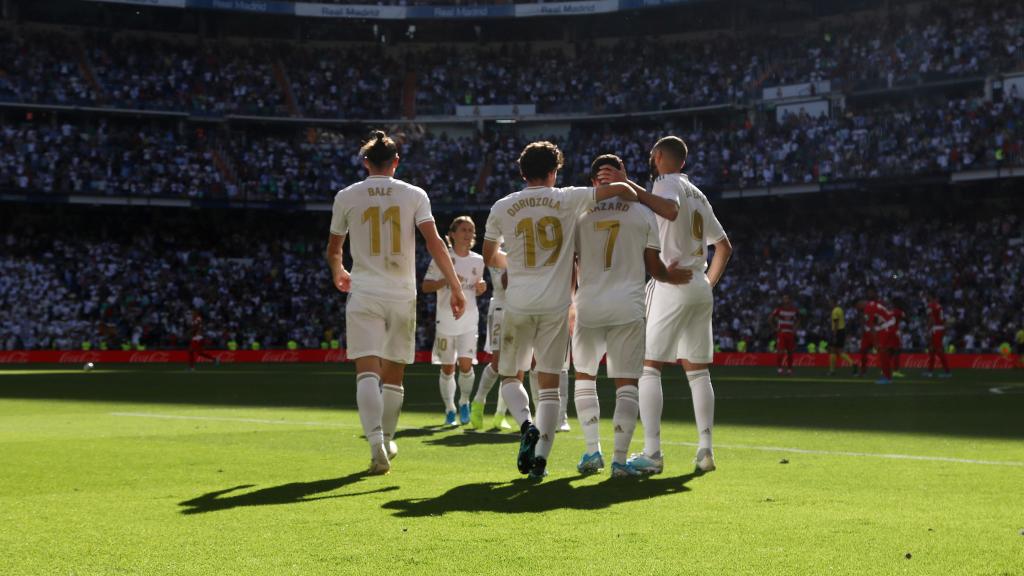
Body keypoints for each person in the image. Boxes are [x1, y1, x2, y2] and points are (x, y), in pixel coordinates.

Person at [482, 140, 639, 480]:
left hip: (518, 303)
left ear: (522, 172)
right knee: (551, 387)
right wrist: (621, 178)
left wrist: (514, 261)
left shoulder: (503, 206)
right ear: (554, 172)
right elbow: (621, 190)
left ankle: (526, 424)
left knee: (510, 376)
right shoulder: (569, 197)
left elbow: (489, 256)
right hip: (555, 306)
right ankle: (540, 460)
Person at [326, 130, 465, 475]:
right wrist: (456, 285)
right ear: (396, 162)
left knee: (366, 372)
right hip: (401, 293)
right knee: (394, 375)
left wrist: (338, 270)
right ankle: (387, 437)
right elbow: (434, 242)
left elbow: (333, 249)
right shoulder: (413, 194)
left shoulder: (347, 196)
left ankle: (375, 444)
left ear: (366, 162)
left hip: (365, 291)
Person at [571, 154, 692, 477]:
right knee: (627, 383)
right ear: (623, 177)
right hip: (627, 304)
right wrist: (672, 276)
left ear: (594, 182)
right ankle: (619, 461)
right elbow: (655, 269)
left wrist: (570, 302)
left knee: (584, 376)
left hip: (588, 304)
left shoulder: (579, 212)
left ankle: (591, 451)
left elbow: (570, 265)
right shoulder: (642, 213)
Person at [631, 136, 733, 476]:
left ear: (659, 157)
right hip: (698, 285)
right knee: (698, 372)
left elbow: (670, 210)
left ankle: (652, 453)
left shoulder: (665, 183)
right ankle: (705, 449)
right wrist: (707, 282)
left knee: (649, 367)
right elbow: (724, 246)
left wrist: (629, 187)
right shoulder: (698, 193)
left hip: (672, 283)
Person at [423, 216, 486, 426]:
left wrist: (481, 287)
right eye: (464, 230)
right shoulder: (443, 258)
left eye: (471, 230)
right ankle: (450, 409)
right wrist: (447, 280)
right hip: (445, 321)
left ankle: (464, 403)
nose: (468, 234)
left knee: (466, 366)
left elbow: (476, 287)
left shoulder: (478, 260)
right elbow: (426, 286)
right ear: (452, 234)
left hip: (469, 320)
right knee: (448, 368)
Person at [469, 261, 515, 430]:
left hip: (522, 308)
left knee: (515, 366)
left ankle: (500, 414)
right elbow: (504, 282)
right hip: (501, 309)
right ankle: (478, 402)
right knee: (498, 363)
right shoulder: (497, 248)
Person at [924, 293, 952, 378]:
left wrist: (927, 330)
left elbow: (931, 319)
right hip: (940, 329)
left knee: (938, 350)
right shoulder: (939, 307)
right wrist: (945, 329)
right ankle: (930, 371)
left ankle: (947, 372)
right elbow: (943, 320)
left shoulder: (930, 306)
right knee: (932, 350)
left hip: (935, 329)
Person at [770, 294, 799, 375]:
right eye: (783, 298)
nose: (785, 300)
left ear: (790, 300)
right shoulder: (779, 309)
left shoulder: (794, 310)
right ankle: (779, 368)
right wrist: (775, 328)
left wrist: (795, 328)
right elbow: (770, 319)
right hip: (782, 333)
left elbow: (799, 319)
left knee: (790, 352)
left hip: (790, 333)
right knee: (780, 351)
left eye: (786, 298)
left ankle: (789, 369)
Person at [828, 299, 855, 375]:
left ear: (833, 302)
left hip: (838, 331)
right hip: (842, 331)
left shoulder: (834, 311)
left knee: (833, 350)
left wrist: (834, 335)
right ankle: (852, 364)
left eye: (830, 302)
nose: (829, 304)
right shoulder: (840, 309)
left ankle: (832, 370)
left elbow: (836, 323)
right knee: (839, 351)